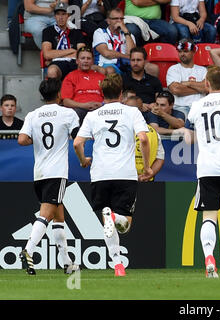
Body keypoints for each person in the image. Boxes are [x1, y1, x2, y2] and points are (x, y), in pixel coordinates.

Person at [73, 74, 152, 277]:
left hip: (100, 174)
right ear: (121, 93)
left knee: (108, 222)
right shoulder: (131, 112)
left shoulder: (92, 116)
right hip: (125, 174)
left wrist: (83, 160)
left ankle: (117, 265)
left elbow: (77, 143)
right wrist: (147, 167)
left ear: (102, 93)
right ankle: (115, 217)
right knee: (124, 224)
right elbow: (143, 138)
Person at [174, 65, 220, 278]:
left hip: (207, 168)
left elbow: (192, 133)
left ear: (206, 83)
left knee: (209, 216)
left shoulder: (197, 106)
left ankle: (209, 258)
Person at [17, 78, 80, 276]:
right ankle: (29, 249)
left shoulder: (33, 115)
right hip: (57, 172)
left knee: (58, 217)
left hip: (40, 172)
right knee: (45, 214)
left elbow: (21, 140)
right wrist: (83, 158)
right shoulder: (68, 113)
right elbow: (77, 137)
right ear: (59, 94)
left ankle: (67, 263)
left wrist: (38, 141)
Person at [41, 1, 87, 80]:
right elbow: (47, 54)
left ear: (68, 16)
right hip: (57, 63)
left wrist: (55, 55)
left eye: (63, 14)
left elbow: (81, 54)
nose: (60, 17)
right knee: (52, 71)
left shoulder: (76, 32)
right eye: (58, 14)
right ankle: (55, 92)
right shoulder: (48, 31)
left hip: (75, 62)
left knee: (89, 68)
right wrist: (72, 50)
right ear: (54, 16)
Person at [61, 47, 105, 124]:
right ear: (77, 61)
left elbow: (109, 98)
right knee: (73, 116)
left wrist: (101, 104)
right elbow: (66, 101)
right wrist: (84, 105)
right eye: (83, 58)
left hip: (99, 110)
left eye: (88, 58)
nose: (85, 61)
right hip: (79, 110)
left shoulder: (101, 77)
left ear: (93, 61)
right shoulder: (70, 76)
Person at [166, 38, 208, 118]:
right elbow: (176, 90)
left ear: (193, 52)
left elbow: (207, 88)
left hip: (200, 108)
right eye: (180, 51)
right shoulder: (173, 69)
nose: (182, 54)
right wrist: (199, 88)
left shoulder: (203, 70)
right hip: (180, 108)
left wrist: (188, 83)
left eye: (185, 51)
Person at [93, 7, 136, 75]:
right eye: (116, 18)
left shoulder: (129, 35)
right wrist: (126, 56)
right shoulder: (100, 32)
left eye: (121, 19)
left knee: (151, 67)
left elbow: (133, 54)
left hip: (127, 66)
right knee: (110, 70)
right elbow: (106, 53)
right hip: (107, 64)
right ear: (108, 21)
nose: (119, 21)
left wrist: (126, 32)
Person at [122, 47, 163, 116]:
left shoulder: (154, 80)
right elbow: (119, 101)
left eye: (138, 60)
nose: (135, 63)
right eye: (133, 60)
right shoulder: (123, 79)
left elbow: (160, 101)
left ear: (145, 61)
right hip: (129, 114)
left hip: (151, 114)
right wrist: (139, 105)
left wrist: (154, 105)